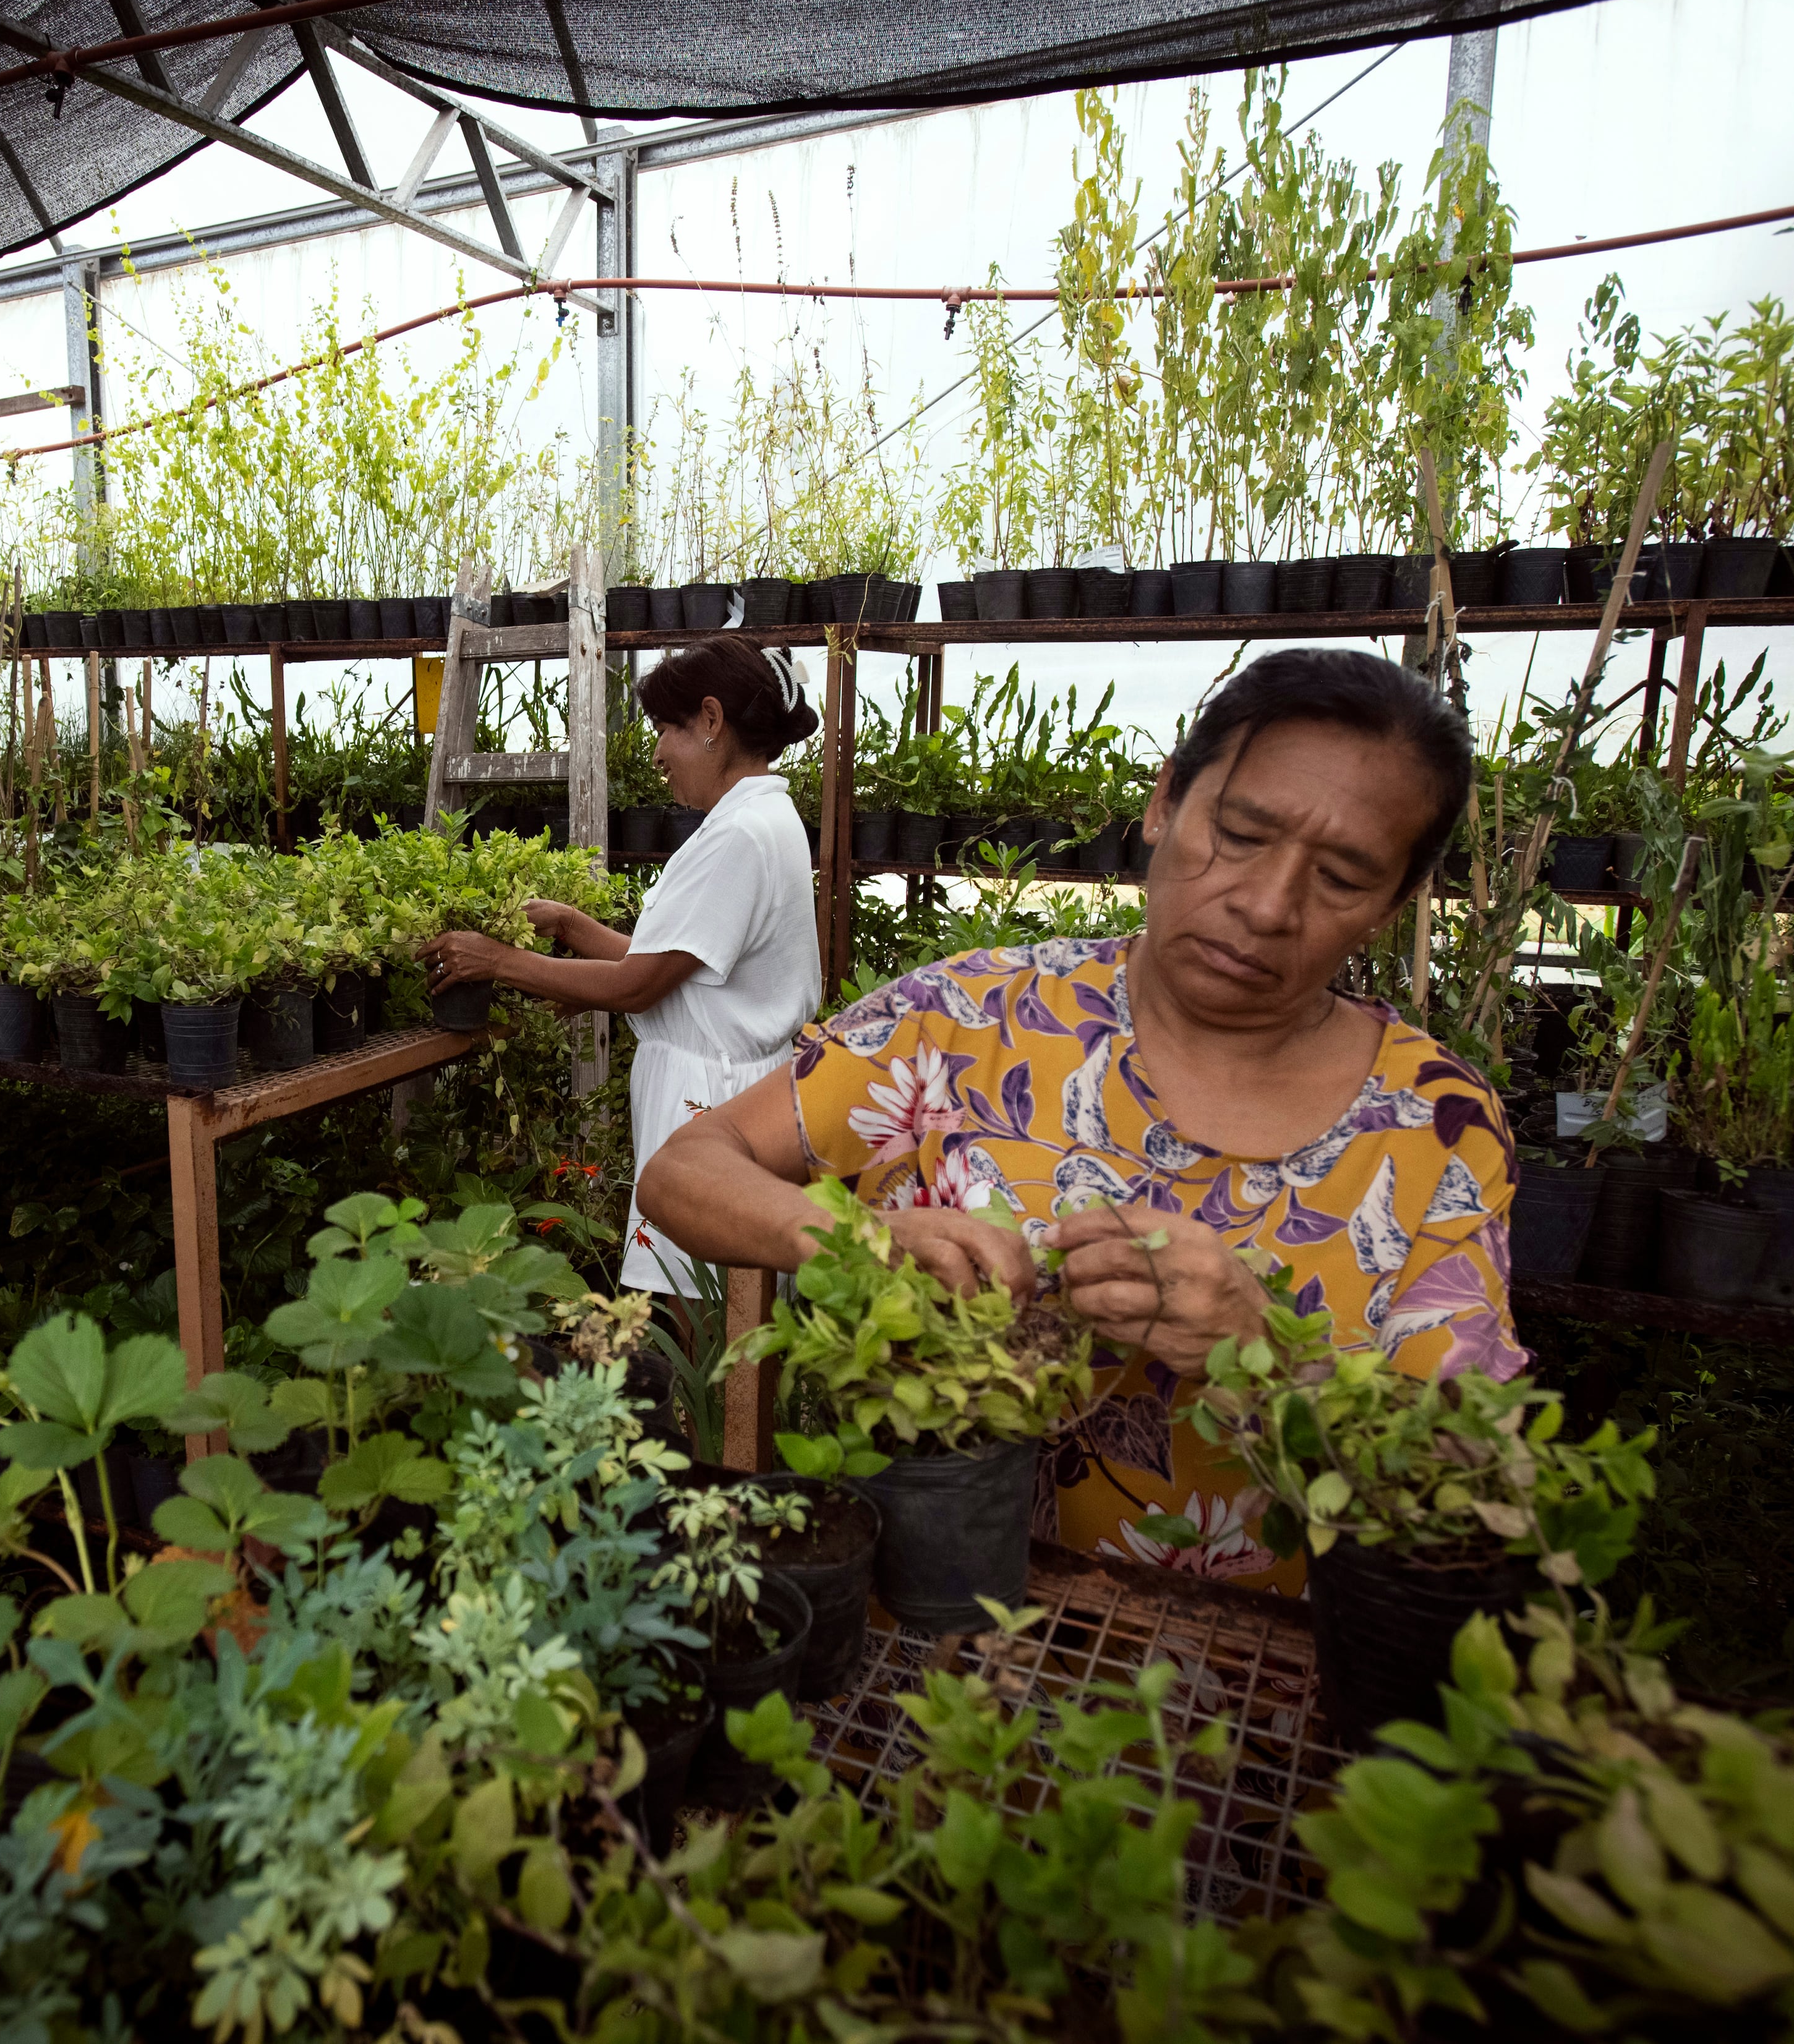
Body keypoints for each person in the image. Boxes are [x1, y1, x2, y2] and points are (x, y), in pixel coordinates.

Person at [636, 648, 1522, 1593]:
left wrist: (1266, 1354)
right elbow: (688, 1168)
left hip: (1265, 1673)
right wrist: (857, 1239)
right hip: (943, 1631)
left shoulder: (1435, 1127)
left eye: (1343, 877)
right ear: (1165, 801)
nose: (1268, 905)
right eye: (1241, 833)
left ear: (1391, 904)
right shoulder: (973, 1019)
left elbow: (1471, 1494)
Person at [422, 633, 824, 1299]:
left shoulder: (740, 835)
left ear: (711, 721)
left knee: (696, 1313)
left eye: (665, 729)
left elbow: (639, 985)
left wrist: (496, 960)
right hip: (733, 1090)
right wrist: (571, 927)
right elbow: (682, 966)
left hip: (711, 1104)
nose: (659, 754)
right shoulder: (761, 818)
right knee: (726, 1313)